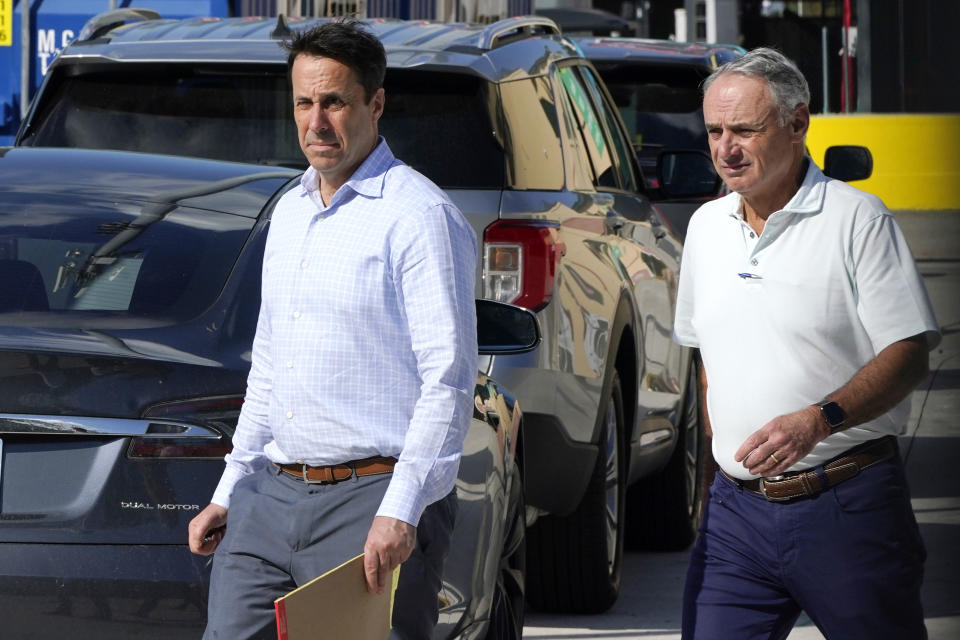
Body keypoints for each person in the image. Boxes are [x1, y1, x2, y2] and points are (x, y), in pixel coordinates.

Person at [187, 20, 477, 640]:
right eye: (303, 102)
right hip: (271, 498)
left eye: (334, 102)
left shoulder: (418, 216)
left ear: (375, 103)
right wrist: (230, 490)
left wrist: (401, 511)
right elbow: (270, 365)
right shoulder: (290, 210)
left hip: (372, 500)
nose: (316, 121)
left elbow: (447, 380)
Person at [673, 47, 939, 640]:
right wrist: (716, 470)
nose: (725, 148)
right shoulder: (705, 228)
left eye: (744, 129)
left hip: (846, 506)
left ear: (797, 123)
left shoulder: (858, 221)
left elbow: (909, 351)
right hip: (736, 519)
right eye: (715, 130)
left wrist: (818, 420)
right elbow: (708, 361)